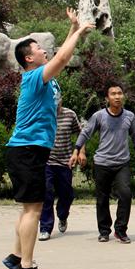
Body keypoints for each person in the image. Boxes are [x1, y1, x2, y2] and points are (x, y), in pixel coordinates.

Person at [2, 9, 94, 269]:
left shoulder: (44, 77)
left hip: (30, 151)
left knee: (29, 209)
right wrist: (80, 33)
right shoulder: (33, 78)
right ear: (29, 58)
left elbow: (59, 56)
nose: (45, 50)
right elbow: (63, 58)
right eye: (39, 48)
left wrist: (73, 28)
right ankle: (26, 266)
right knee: (34, 209)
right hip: (26, 150)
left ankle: (15, 256)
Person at [71, 83, 135, 244]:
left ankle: (121, 230)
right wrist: (77, 151)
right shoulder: (99, 116)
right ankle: (104, 231)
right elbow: (85, 133)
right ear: (107, 98)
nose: (117, 96)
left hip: (122, 163)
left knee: (125, 194)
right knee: (102, 198)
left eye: (120, 93)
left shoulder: (130, 116)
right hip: (102, 163)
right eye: (113, 94)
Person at [38, 99, 82, 241]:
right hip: (47, 162)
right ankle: (45, 228)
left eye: (57, 100)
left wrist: (80, 152)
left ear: (61, 100)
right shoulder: (42, 114)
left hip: (65, 162)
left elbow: (81, 134)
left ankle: (62, 216)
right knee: (47, 193)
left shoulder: (70, 114)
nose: (55, 103)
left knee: (66, 195)